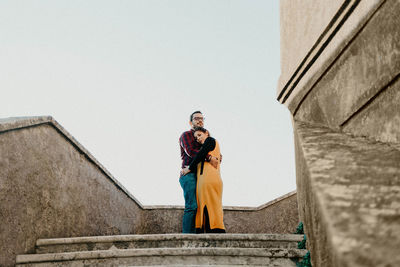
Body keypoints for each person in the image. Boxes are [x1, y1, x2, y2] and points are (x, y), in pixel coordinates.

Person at [179, 111, 219, 233]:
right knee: (192, 206)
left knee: (202, 207)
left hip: (202, 176)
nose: (200, 120)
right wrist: (208, 157)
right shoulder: (186, 135)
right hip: (189, 174)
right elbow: (190, 152)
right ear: (191, 122)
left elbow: (214, 153)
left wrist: (216, 156)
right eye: (196, 118)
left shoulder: (205, 138)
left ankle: (199, 235)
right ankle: (187, 238)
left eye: (202, 118)